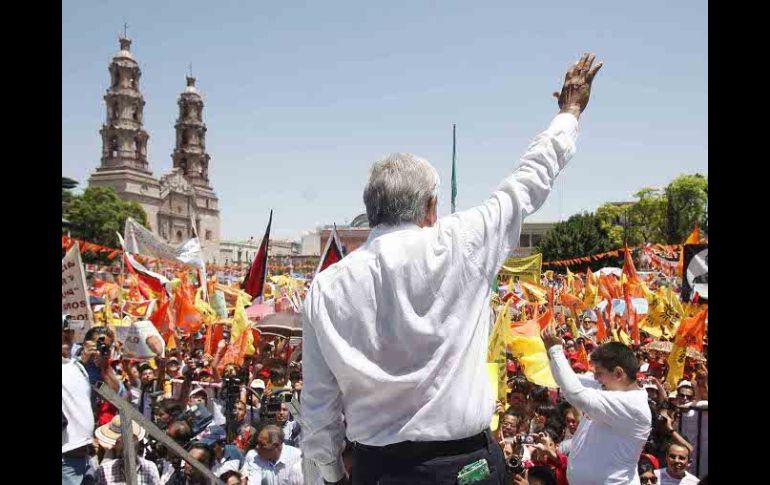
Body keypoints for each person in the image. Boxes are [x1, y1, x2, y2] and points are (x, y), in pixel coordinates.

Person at [302, 53, 603, 485]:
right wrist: (569, 113)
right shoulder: (462, 242)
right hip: (465, 468)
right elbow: (528, 180)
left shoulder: (326, 287)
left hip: (377, 471)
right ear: (430, 207)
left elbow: (318, 407)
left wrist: (327, 476)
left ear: (370, 211)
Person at [542, 329, 652, 484]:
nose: (595, 378)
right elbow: (567, 381)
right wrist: (550, 351)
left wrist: (556, 351)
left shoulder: (632, 405)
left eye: (599, 373)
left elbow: (575, 394)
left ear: (619, 374)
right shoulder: (608, 387)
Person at [63, 326, 123, 485]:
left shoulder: (104, 369)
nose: (101, 349)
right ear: (86, 344)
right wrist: (82, 361)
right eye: (98, 345)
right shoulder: (70, 361)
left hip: (87, 446)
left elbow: (116, 397)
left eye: (106, 347)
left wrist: (105, 368)